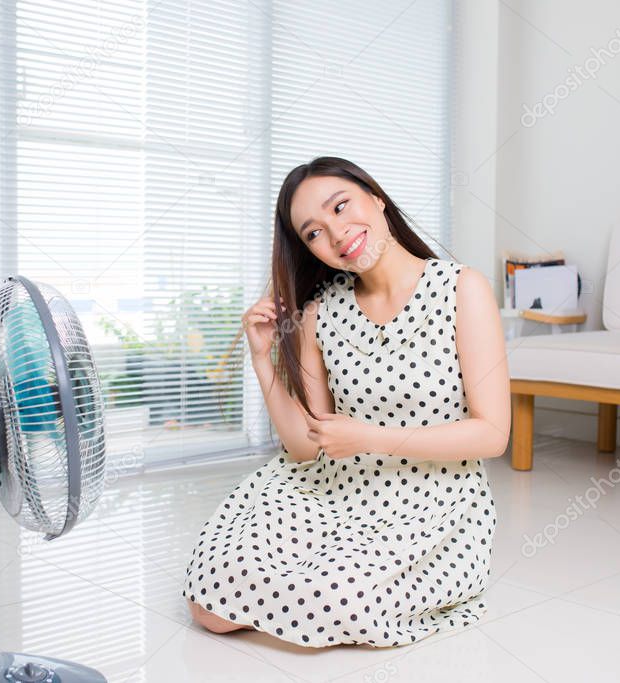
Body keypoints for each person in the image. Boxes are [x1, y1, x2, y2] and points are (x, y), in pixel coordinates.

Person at [182, 156, 510, 648]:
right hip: (333, 489)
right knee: (209, 605)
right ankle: (304, 575)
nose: (335, 234)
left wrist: (371, 437)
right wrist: (261, 358)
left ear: (376, 197)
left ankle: (318, 580)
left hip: (430, 500)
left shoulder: (462, 289)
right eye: (313, 233)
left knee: (340, 601)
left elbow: (492, 433)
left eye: (341, 206)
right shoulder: (319, 313)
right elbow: (304, 447)